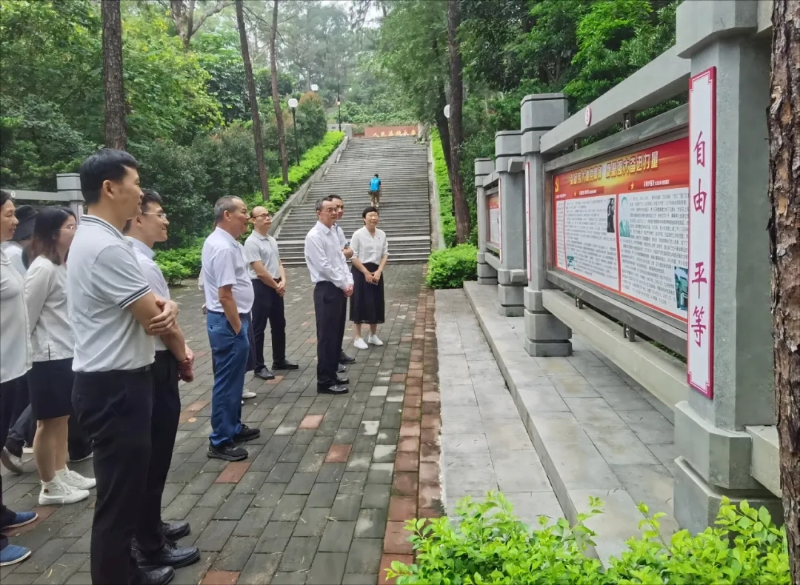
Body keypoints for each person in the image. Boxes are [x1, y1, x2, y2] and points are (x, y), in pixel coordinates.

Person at [68, 149, 188, 585]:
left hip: (111, 384)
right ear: (109, 188)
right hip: (116, 387)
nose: (140, 192)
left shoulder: (97, 238)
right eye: (135, 183)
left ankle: (125, 570)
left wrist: (168, 306)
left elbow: (157, 308)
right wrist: (168, 309)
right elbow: (152, 316)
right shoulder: (105, 247)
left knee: (122, 494)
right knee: (118, 503)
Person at [123, 189, 200, 569]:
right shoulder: (140, 263)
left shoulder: (132, 258)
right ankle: (149, 542)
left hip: (148, 363)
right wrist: (183, 355)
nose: (166, 219)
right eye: (160, 213)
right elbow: (162, 324)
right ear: (138, 219)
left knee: (151, 458)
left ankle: (151, 526)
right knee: (154, 458)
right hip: (155, 364)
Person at [24, 207, 96, 506]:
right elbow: (27, 316)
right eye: (70, 226)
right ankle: (48, 484)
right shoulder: (42, 268)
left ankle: (61, 470)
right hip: (47, 355)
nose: (75, 231)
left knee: (63, 417)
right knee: (47, 421)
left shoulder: (61, 266)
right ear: (53, 233)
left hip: (66, 351)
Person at [202, 196, 261, 462]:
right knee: (227, 383)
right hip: (229, 321)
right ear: (227, 215)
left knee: (235, 380)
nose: (247, 217)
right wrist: (238, 328)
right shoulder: (223, 247)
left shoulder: (227, 243)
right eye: (243, 212)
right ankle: (220, 440)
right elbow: (225, 294)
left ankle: (233, 427)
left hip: (232, 319)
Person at [0, 189, 37, 568]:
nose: (16, 221)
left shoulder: (5, 254)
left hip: (12, 368)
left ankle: (1, 514)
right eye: (9, 214)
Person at [305, 197, 353, 395]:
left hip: (339, 287)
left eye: (336, 209)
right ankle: (324, 381)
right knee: (326, 336)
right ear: (319, 213)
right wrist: (343, 283)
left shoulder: (333, 231)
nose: (334, 213)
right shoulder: (314, 236)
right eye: (329, 210)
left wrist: (349, 281)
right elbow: (323, 266)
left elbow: (341, 260)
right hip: (326, 288)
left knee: (337, 334)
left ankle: (332, 373)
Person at [243, 207, 298, 380]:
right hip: (260, 287)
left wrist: (283, 280)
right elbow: (259, 271)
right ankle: (258, 366)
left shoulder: (271, 239)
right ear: (253, 220)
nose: (267, 218)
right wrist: (276, 285)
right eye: (263, 216)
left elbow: (279, 262)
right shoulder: (251, 242)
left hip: (275, 284)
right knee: (258, 327)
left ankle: (279, 359)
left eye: (268, 215)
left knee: (279, 323)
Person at [350, 207, 389, 349]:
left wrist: (379, 271)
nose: (373, 218)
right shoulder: (358, 234)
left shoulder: (382, 234)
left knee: (376, 302)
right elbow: (353, 256)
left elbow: (385, 254)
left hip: (376, 271)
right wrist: (366, 273)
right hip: (360, 271)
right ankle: (357, 337)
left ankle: (373, 335)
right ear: (364, 218)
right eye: (370, 215)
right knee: (359, 302)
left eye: (375, 215)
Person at [329, 195, 356, 370]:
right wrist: (343, 252)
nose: (339, 211)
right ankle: (331, 359)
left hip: (342, 280)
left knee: (339, 322)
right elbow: (335, 256)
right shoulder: (321, 233)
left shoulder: (337, 229)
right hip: (331, 282)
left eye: (341, 207)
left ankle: (337, 352)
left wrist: (343, 252)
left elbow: (348, 251)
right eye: (334, 208)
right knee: (329, 326)